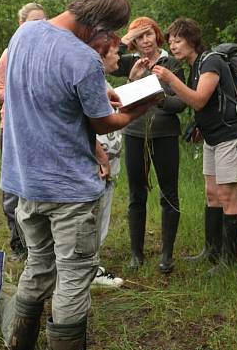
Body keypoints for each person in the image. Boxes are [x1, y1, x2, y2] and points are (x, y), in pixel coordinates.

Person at [0, 0, 153, 350]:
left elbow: (51, 97)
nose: (110, 41)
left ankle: (18, 342)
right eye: (109, 33)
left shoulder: (24, 33)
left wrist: (105, 97)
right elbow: (102, 124)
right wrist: (138, 109)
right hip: (68, 188)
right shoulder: (82, 59)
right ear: (98, 25)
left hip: (26, 181)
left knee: (38, 263)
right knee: (73, 274)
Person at [151, 18, 237, 275]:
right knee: (212, 193)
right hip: (211, 136)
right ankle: (211, 250)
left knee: (227, 196)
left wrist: (170, 79)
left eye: (178, 41)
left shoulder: (211, 61)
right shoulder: (195, 66)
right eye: (170, 42)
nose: (173, 46)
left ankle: (229, 260)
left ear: (192, 40)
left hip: (228, 134)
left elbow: (199, 100)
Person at [112, 17, 186, 273]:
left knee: (169, 193)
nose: (145, 41)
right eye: (139, 36)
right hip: (134, 133)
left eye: (148, 34)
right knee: (136, 194)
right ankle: (136, 254)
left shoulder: (172, 63)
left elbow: (181, 103)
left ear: (157, 36)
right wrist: (125, 41)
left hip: (165, 134)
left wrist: (159, 97)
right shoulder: (130, 63)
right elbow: (104, 60)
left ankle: (167, 255)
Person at [0, 2, 46, 262]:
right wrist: (24, 96)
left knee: (38, 185)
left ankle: (40, 243)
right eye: (33, 21)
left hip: (42, 129)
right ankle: (18, 244)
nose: (39, 26)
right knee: (14, 188)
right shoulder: (10, 53)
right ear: (21, 25)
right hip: (12, 129)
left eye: (43, 21)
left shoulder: (48, 53)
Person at [92, 35, 126, 288]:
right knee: (94, 213)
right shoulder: (91, 83)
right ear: (100, 56)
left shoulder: (101, 81)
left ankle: (91, 264)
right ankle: (90, 270)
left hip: (109, 158)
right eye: (114, 52)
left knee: (102, 210)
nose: (119, 56)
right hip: (96, 161)